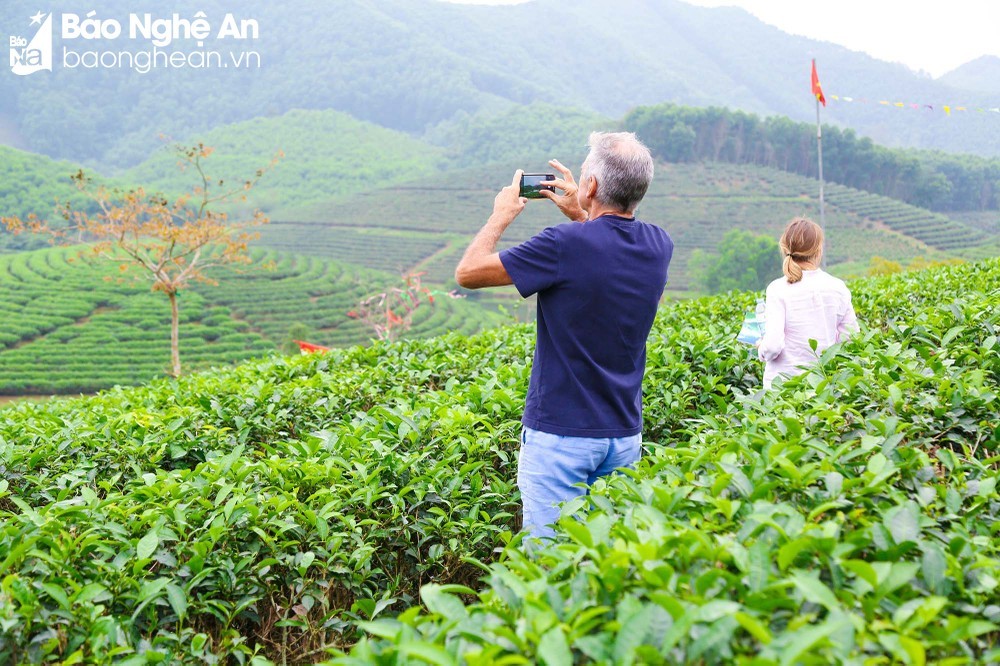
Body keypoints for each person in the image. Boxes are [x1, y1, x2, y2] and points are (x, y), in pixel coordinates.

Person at [454, 131, 673, 539]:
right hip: (624, 435)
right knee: (609, 557)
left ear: (591, 186)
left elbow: (468, 272)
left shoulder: (563, 245)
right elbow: (604, 247)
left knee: (549, 566)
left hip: (561, 438)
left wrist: (502, 213)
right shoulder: (660, 245)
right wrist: (582, 211)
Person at [757, 217, 858, 389]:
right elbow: (851, 337)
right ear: (819, 249)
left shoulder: (777, 289)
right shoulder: (837, 287)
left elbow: (773, 346)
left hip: (782, 388)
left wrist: (761, 348)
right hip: (822, 385)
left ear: (784, 247)